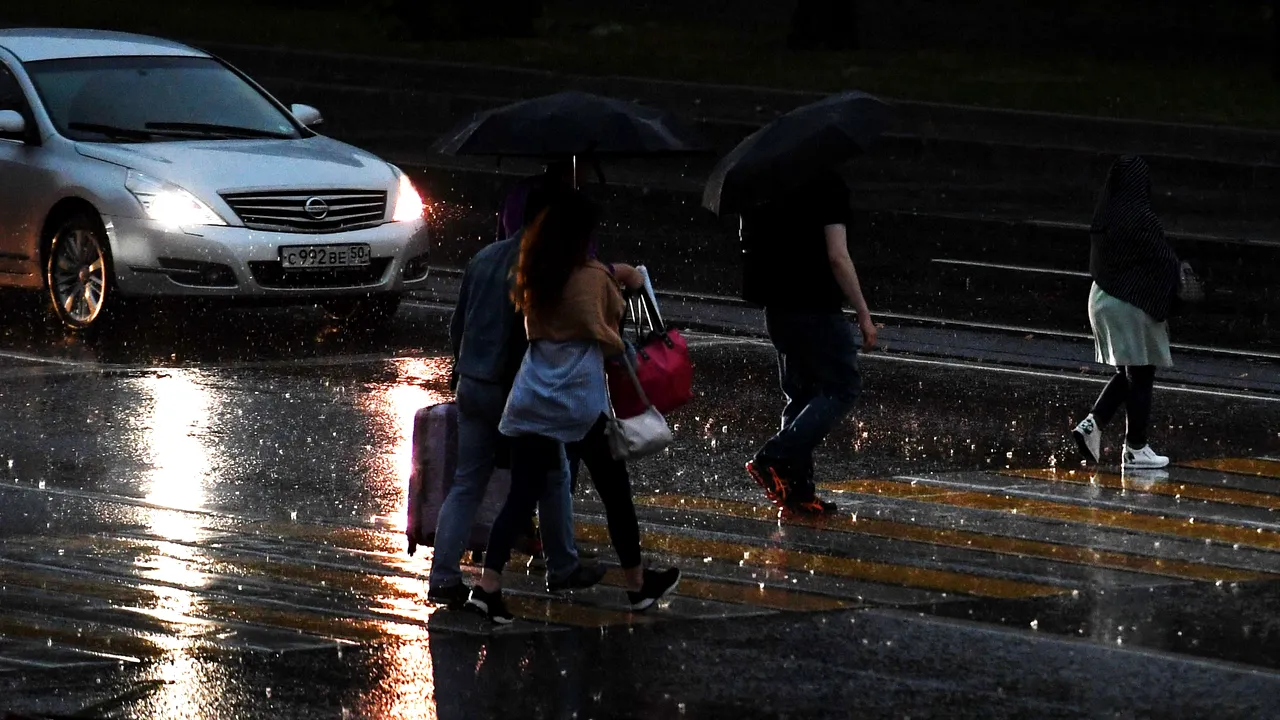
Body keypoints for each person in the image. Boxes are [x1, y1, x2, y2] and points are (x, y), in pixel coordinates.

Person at [466, 189, 681, 624]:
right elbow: (611, 324)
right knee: (616, 496)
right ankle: (638, 587)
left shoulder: (534, 272)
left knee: (521, 495)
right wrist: (619, 277)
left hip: (532, 399)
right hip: (579, 405)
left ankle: (487, 588)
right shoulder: (593, 278)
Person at [427, 185, 601, 607]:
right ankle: (562, 566)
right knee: (554, 471)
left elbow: (458, 327)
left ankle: (444, 577)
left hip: (472, 383)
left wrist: (462, 369)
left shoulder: (482, 257)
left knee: (467, 481)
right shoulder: (539, 265)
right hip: (513, 390)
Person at [739, 169, 877, 516]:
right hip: (816, 308)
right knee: (842, 387)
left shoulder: (770, 182)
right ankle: (774, 456)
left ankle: (798, 492)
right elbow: (837, 256)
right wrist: (863, 311)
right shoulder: (827, 184)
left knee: (801, 396)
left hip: (778, 309)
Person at [1072, 156, 1178, 470]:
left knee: (1128, 373)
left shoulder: (1107, 218)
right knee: (1142, 373)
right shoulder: (1140, 218)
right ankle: (1136, 448)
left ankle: (1092, 424)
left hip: (1101, 298)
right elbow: (1162, 260)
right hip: (1129, 303)